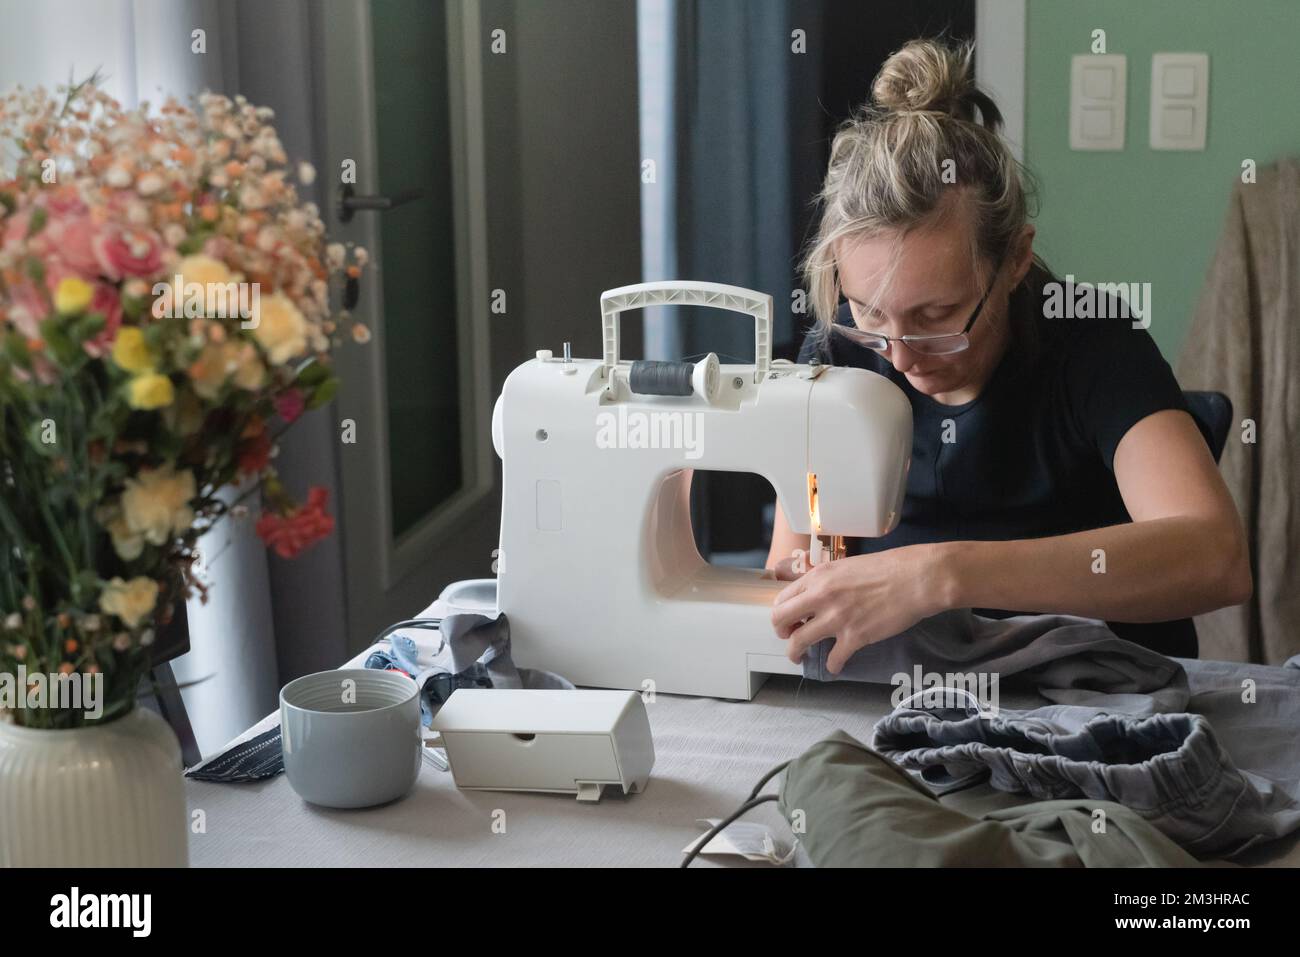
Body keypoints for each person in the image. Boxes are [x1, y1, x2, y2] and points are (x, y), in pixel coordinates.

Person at [767, 38, 1251, 674]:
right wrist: (802, 578)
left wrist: (943, 574)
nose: (903, 359)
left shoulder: (1093, 345)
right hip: (902, 699)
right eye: (871, 313)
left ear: (1017, 258)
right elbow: (791, 560)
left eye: (937, 317)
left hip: (1093, 702)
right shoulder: (837, 351)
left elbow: (1215, 557)